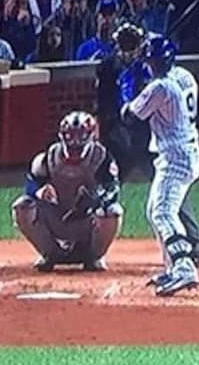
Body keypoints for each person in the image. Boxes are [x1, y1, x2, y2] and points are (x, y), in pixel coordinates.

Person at [121, 37, 199, 296]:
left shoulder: (160, 88)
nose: (147, 65)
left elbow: (129, 117)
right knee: (153, 210)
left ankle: (184, 267)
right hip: (186, 150)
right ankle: (172, 266)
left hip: (175, 157)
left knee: (164, 214)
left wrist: (128, 87)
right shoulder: (185, 76)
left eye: (150, 61)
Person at [11, 111, 122, 271]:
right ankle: (49, 253)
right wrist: (40, 191)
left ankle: (95, 256)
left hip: (87, 220)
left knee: (112, 211)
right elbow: (31, 183)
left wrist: (96, 199)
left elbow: (113, 189)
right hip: (58, 216)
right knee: (22, 206)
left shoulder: (102, 158)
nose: (75, 143)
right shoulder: (48, 158)